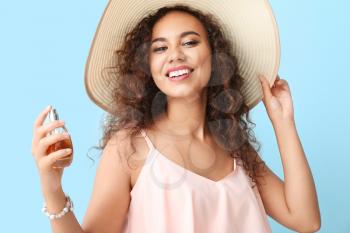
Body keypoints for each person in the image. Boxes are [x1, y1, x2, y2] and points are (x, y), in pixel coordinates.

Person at [31, 1, 321, 232]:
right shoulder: (130, 147)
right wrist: (52, 188)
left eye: (190, 42)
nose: (175, 55)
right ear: (148, 66)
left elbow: (305, 220)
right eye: (160, 48)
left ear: (215, 56)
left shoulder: (235, 147)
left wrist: (283, 123)